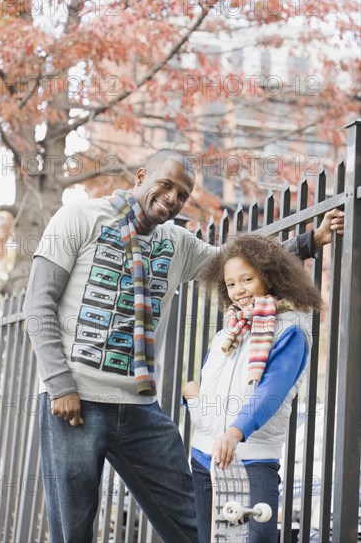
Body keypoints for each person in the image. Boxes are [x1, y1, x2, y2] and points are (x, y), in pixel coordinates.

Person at [23, 149, 343, 543]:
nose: (173, 198)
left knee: (194, 522)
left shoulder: (177, 242)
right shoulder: (79, 217)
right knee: (72, 531)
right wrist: (59, 384)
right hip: (75, 401)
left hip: (138, 406)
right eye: (166, 184)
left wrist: (310, 241)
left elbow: (240, 264)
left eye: (183, 194)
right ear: (142, 175)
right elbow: (37, 305)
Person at [182, 233, 323, 543]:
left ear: (269, 278)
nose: (239, 290)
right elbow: (210, 392)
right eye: (231, 284)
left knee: (256, 538)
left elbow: (271, 392)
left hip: (253, 457)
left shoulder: (289, 331)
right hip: (205, 459)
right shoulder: (226, 334)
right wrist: (192, 400)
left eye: (247, 279)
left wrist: (236, 432)